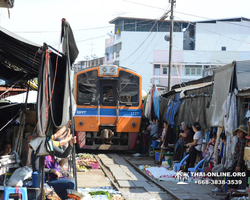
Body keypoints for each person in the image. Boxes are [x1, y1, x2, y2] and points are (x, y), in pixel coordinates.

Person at [31, 130, 77, 200]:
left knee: (67, 189)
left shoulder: (50, 147)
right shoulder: (36, 151)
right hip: (46, 180)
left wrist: (70, 144)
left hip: (55, 177)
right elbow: (36, 169)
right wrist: (51, 171)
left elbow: (64, 154)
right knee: (71, 183)